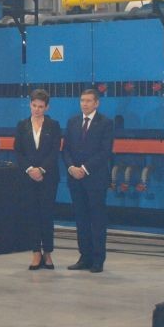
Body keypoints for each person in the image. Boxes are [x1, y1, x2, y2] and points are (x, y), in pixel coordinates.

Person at [62, 88, 114, 273]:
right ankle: (85, 257)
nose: (84, 104)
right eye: (82, 100)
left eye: (88, 100)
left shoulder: (106, 123)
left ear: (96, 103)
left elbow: (105, 152)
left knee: (97, 221)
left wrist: (84, 169)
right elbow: (66, 149)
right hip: (75, 180)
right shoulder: (73, 122)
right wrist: (71, 167)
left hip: (95, 180)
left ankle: (98, 260)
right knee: (81, 220)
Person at [13, 89, 62, 270]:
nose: (37, 109)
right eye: (34, 105)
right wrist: (30, 169)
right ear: (30, 105)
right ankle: (35, 252)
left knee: (46, 215)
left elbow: (54, 151)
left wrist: (41, 169)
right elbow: (18, 151)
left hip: (48, 177)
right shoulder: (22, 125)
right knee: (32, 215)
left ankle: (47, 252)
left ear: (47, 107)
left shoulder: (54, 125)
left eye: (41, 106)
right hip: (27, 177)